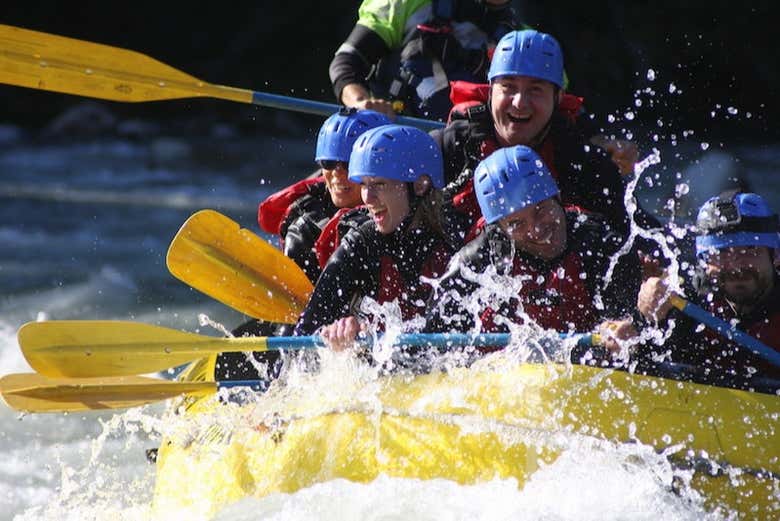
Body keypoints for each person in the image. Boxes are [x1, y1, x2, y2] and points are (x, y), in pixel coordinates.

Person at [432, 29, 655, 244]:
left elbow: (639, 237)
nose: (519, 102)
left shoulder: (584, 163)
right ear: (491, 92)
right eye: (508, 87)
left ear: (558, 97)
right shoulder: (450, 147)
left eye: (535, 90)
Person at [425, 144, 642, 361]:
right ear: (499, 228)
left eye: (541, 210)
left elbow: (630, 323)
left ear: (557, 196)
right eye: (517, 224)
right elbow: (434, 345)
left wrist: (627, 325)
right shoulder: (477, 262)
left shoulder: (602, 245)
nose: (536, 230)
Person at [294, 124, 454, 352]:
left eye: (380, 184)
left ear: (420, 185)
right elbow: (300, 343)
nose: (367, 197)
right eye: (364, 185)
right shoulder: (360, 245)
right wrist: (333, 337)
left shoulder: (455, 242)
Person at [635, 191, 780, 384]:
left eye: (750, 250)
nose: (736, 266)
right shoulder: (684, 301)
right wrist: (642, 317)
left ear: (776, 255)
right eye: (721, 253)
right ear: (704, 262)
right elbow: (637, 351)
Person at [257, 108, 390, 283]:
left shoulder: (410, 212)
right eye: (328, 163)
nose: (337, 173)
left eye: (349, 164)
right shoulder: (306, 221)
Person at [329, 0, 518, 121]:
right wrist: (362, 103)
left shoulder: (519, 36)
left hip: (471, 150)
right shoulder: (404, 4)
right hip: (394, 142)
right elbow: (345, 64)